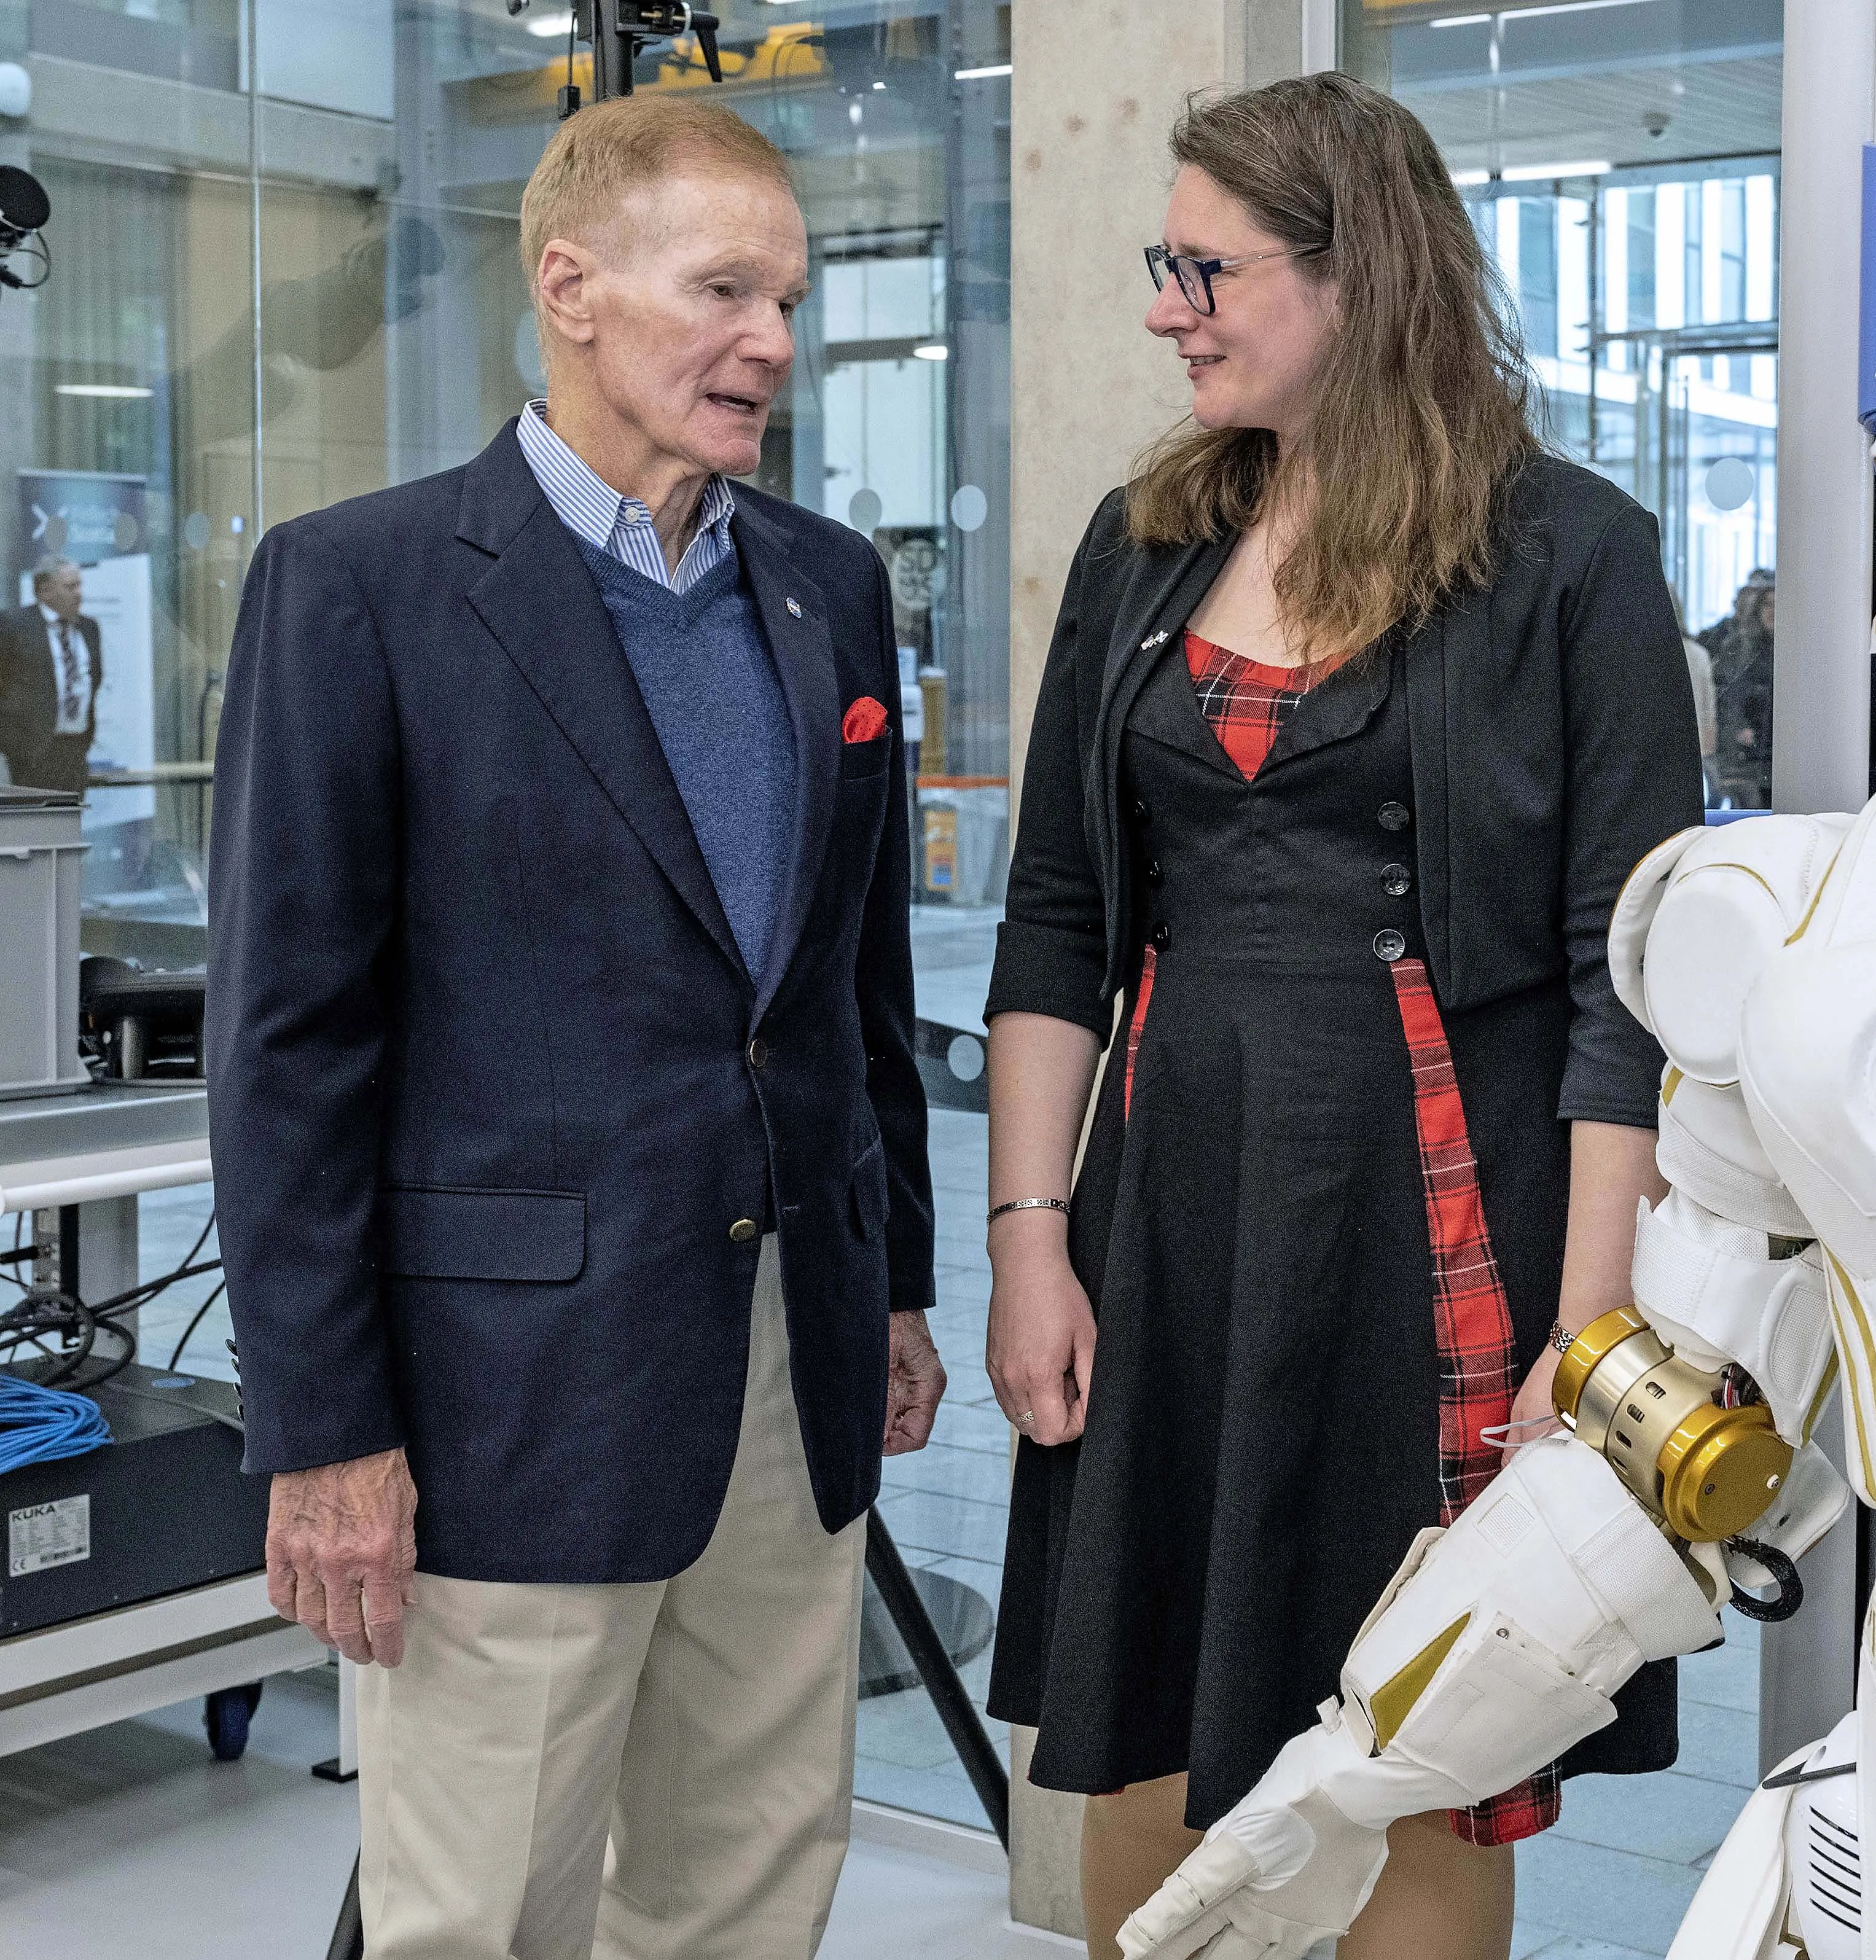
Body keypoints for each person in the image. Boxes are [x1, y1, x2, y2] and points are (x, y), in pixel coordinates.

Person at [205, 95, 944, 1960]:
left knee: (747, 1881)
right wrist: (326, 1429)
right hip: (505, 1400)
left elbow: (856, 984)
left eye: (787, 295)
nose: (771, 339)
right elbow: (288, 1046)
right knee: (481, 1909)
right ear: (574, 289)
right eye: (722, 289)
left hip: (796, 1366)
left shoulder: (828, 584)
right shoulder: (358, 588)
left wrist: (903, 1283)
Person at [980, 72, 1702, 1960]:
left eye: (1201, 267)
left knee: (1427, 1735)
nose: (1165, 310)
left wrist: (1591, 1339)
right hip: (1173, 1213)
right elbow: (1056, 917)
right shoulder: (1143, 549)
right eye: (1162, 265)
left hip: (1435, 1227)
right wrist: (1028, 1240)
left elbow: (1629, 978)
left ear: (1355, 274)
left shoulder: (1572, 557)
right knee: (1138, 1735)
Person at [0, 556, 101, 792]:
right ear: (44, 591)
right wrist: (12, 743)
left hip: (75, 750)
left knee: (71, 822)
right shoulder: (15, 626)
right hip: (31, 752)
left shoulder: (89, 628)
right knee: (36, 825)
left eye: (79, 585)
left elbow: (94, 681)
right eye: (70, 587)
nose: (79, 594)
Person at [1698, 567, 1773, 807]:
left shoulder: (1792, 649)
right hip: (1744, 759)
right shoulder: (1736, 647)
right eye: (1767, 604)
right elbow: (1727, 696)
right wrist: (1738, 730)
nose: (1773, 612)